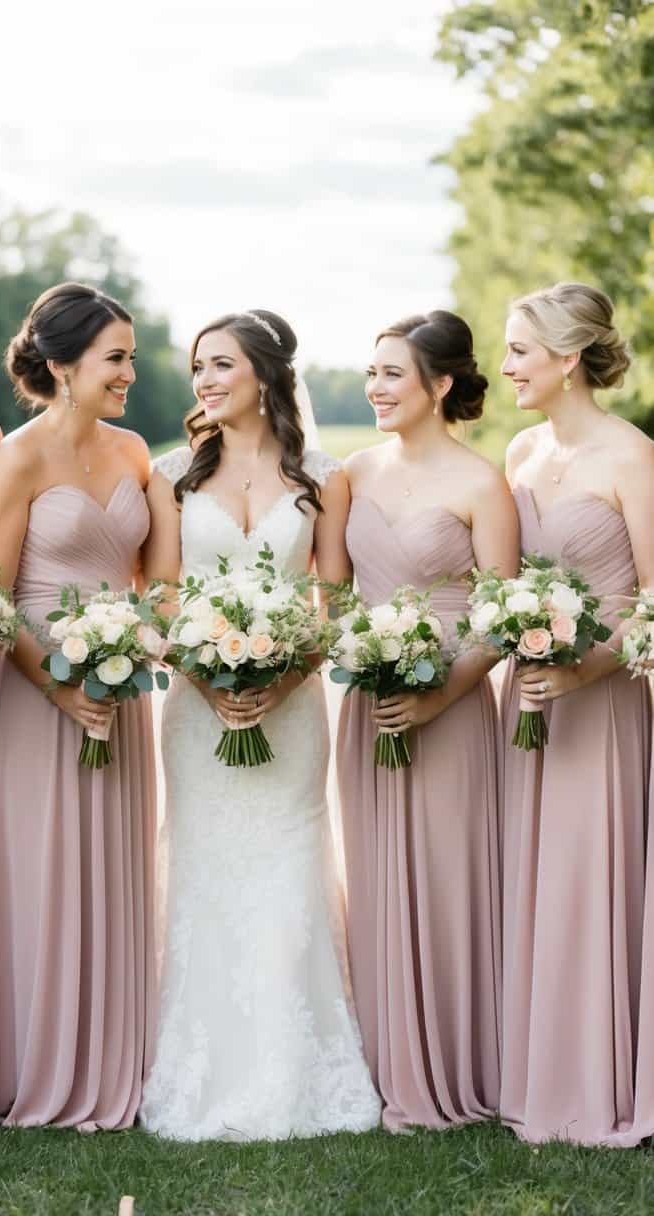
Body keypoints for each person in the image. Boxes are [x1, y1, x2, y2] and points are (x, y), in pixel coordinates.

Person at [139, 309, 381, 1141]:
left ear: (266, 375)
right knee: (207, 869)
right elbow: (162, 596)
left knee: (288, 871)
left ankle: (294, 1070)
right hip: (196, 709)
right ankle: (202, 1064)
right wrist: (205, 677)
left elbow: (335, 599)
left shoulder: (324, 475)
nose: (204, 379)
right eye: (198, 366)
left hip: (294, 710)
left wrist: (284, 677)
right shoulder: (169, 473)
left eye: (221, 365)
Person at [0, 283, 156, 1131]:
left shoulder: (133, 456)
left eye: (129, 354)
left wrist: (136, 648)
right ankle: (36, 1060)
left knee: (112, 866)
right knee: (41, 868)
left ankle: (113, 1051)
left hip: (120, 692)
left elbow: (152, 584)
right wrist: (57, 686)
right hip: (36, 692)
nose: (130, 370)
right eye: (115, 356)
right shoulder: (16, 458)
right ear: (61, 365)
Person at [338, 310, 518, 1130]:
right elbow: (330, 597)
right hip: (367, 709)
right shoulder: (351, 474)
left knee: (450, 884)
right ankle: (380, 1062)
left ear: (439, 385)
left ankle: (458, 1062)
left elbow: (499, 612)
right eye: (370, 373)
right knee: (374, 882)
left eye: (390, 374)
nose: (375, 387)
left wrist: (438, 693)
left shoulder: (482, 484)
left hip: (449, 711)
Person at [499, 282, 654, 1145]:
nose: (506, 365)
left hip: (600, 703)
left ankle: (601, 1079)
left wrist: (583, 666)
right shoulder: (519, 450)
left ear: (566, 358)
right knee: (537, 879)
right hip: (524, 702)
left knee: (591, 878)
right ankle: (539, 1072)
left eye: (520, 350)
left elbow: (650, 602)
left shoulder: (631, 456)